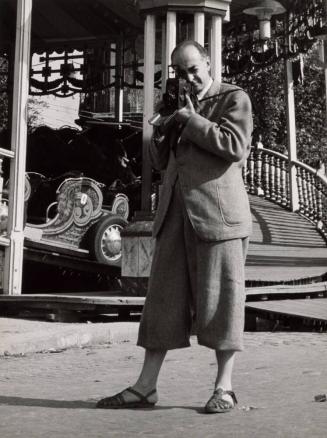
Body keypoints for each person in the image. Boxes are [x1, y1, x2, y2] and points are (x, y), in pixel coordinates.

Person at [96, 40, 253, 413]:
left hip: (219, 217)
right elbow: (158, 160)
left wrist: (190, 119)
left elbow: (235, 145)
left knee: (223, 301)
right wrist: (163, 128)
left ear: (208, 64)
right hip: (174, 214)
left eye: (193, 69)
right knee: (162, 302)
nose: (188, 78)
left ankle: (224, 388)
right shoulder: (177, 106)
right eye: (180, 72)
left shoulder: (233, 99)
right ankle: (145, 387)